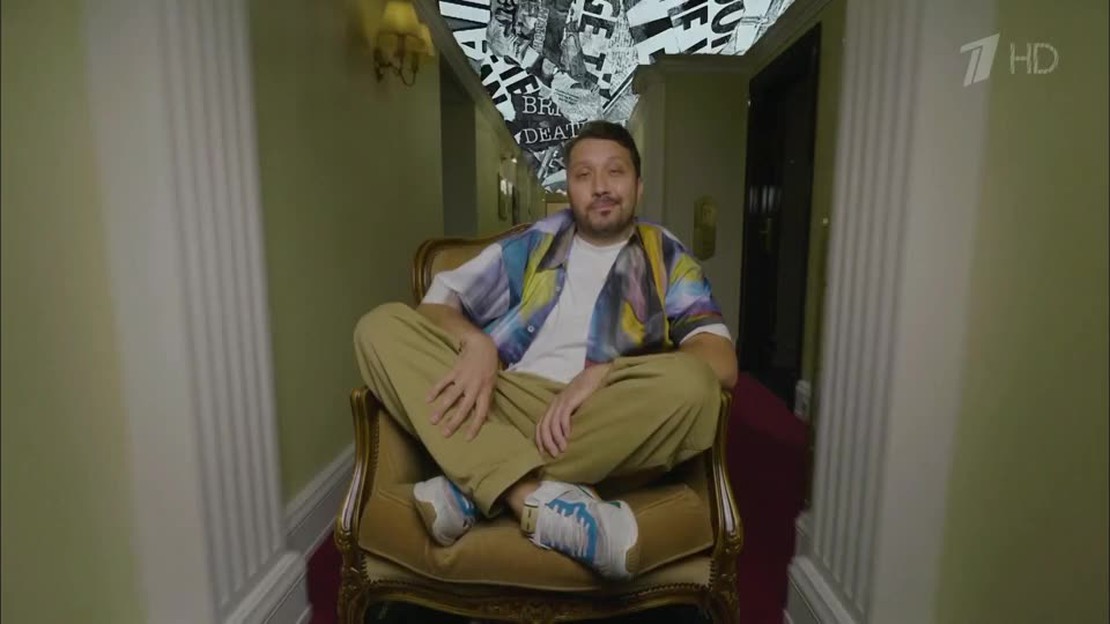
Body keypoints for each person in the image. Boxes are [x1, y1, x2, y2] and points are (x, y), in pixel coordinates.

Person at [354, 120, 737, 582]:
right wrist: (476, 342)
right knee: (378, 328)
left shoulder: (667, 255)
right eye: (583, 175)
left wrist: (605, 373)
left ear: (638, 186)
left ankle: (475, 484)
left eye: (615, 172)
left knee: (695, 387)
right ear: (568, 189)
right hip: (505, 400)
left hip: (604, 414)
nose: (600, 186)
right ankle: (527, 496)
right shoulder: (534, 243)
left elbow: (720, 360)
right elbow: (436, 306)